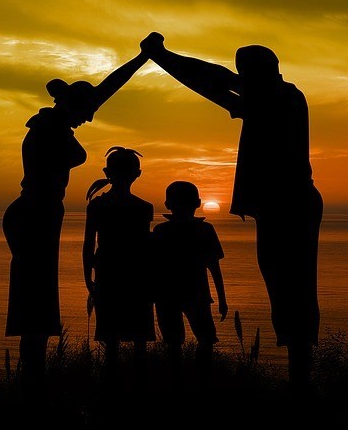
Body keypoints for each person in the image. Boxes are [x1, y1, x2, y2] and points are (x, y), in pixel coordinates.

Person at [140, 32, 323, 391]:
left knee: (293, 291)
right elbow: (219, 77)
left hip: (290, 206)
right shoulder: (275, 93)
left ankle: (300, 380)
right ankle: (298, 374)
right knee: (284, 289)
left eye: (246, 71)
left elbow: (214, 85)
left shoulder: (278, 98)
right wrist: (164, 57)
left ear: (262, 72)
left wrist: (162, 58)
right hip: (282, 206)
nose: (241, 78)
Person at [2, 47, 149, 403]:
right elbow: (89, 105)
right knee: (34, 302)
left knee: (37, 300)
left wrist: (143, 58)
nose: (90, 119)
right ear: (72, 106)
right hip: (34, 214)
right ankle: (31, 385)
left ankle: (32, 381)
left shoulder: (56, 121)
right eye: (87, 112)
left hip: (41, 214)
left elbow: (103, 91)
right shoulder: (50, 128)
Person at [82, 146, 155, 381]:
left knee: (111, 340)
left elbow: (88, 244)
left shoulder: (98, 205)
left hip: (109, 273)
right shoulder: (143, 208)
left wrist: (87, 278)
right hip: (137, 276)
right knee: (139, 340)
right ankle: (138, 389)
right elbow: (146, 248)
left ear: (107, 171)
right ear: (138, 173)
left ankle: (112, 390)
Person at [151, 181, 227, 385]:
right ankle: (201, 380)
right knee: (205, 339)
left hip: (169, 295)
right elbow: (214, 268)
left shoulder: (160, 231)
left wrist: (222, 299)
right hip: (193, 294)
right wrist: (222, 299)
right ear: (199, 203)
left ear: (167, 204)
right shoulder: (205, 230)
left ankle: (182, 382)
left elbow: (153, 269)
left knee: (178, 342)